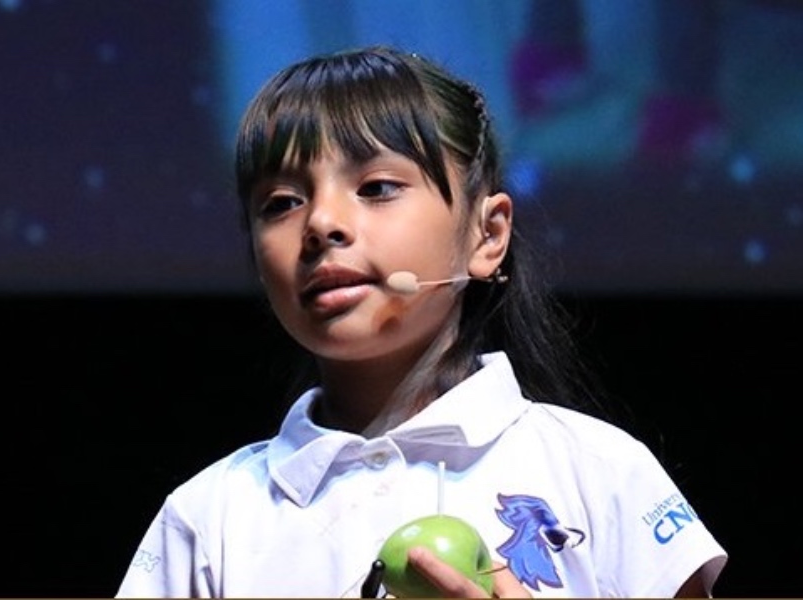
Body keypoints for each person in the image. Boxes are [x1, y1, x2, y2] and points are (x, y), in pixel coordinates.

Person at [115, 45, 727, 598]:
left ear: (487, 236)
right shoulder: (207, 517)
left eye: (377, 187)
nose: (322, 223)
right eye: (280, 203)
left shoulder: (602, 472)